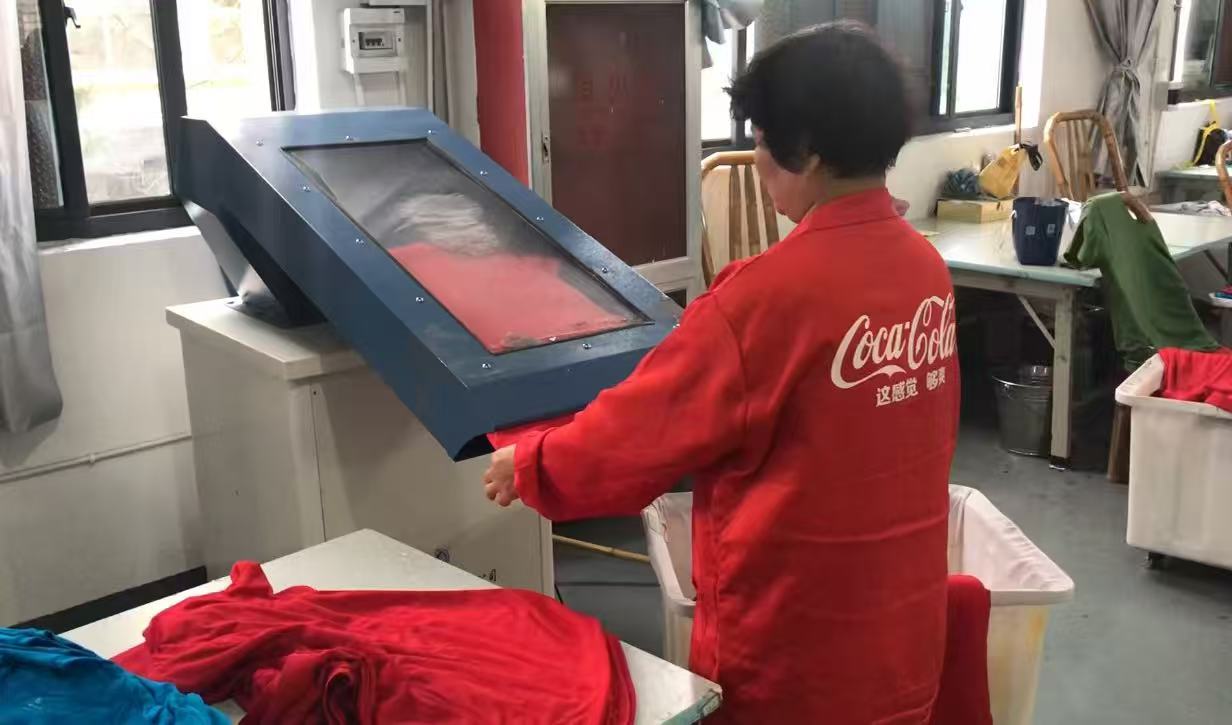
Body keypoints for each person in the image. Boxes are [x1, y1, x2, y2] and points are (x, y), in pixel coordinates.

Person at [483, 21, 959, 724]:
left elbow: (636, 437)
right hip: (903, 645)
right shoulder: (925, 269)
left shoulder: (764, 298)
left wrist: (531, 463)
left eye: (762, 141)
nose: (757, 161)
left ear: (808, 150)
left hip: (791, 661)